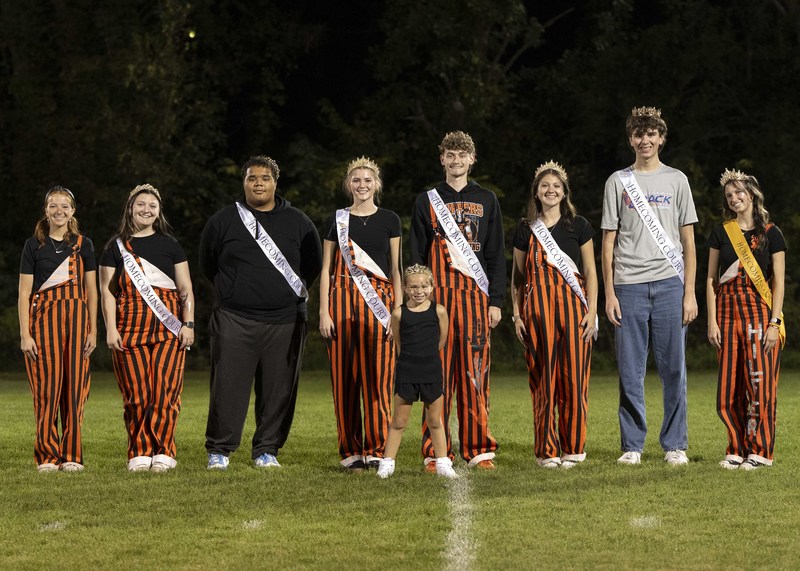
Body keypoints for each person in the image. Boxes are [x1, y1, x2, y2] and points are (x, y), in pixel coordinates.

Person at [200, 155, 322, 470]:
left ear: (275, 183)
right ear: (244, 183)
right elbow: (207, 262)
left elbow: (312, 264)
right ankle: (220, 450)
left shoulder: (298, 221)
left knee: (278, 390)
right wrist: (233, 290)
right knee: (227, 388)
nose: (258, 183)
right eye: (252, 178)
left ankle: (267, 450)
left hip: (284, 320)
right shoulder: (224, 220)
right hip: (234, 319)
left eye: (265, 178)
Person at [601, 106, 698, 466]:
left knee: (674, 369)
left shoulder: (677, 180)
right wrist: (609, 293)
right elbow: (608, 241)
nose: (645, 140)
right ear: (631, 139)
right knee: (630, 370)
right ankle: (632, 445)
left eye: (651, 133)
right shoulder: (617, 181)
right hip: (628, 286)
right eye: (639, 134)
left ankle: (675, 444)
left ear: (661, 138)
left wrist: (689, 292)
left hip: (671, 285)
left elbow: (688, 241)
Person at [409, 130, 505, 470]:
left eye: (462, 155)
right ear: (442, 159)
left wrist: (496, 300)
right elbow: (416, 255)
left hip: (475, 302)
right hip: (437, 302)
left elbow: (495, 254)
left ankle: (479, 449)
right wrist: (416, 301)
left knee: (475, 374)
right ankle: (436, 451)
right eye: (450, 154)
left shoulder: (488, 199)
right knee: (435, 376)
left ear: (472, 159)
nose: (456, 160)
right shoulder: (427, 200)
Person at [99, 183, 195, 473]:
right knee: (137, 394)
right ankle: (139, 451)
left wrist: (189, 323)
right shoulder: (115, 247)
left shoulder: (171, 244)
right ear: (130, 208)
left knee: (165, 392)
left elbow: (186, 289)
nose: (146, 209)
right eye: (141, 204)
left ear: (158, 211)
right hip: (130, 329)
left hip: (169, 331)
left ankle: (164, 452)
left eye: (152, 205)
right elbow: (107, 292)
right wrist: (111, 329)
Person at [511, 161, 597, 469]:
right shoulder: (525, 228)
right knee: (543, 380)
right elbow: (517, 279)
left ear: (564, 192)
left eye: (556, 186)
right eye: (545, 186)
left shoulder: (579, 225)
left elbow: (590, 271)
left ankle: (572, 448)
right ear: (536, 191)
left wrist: (593, 311)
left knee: (573, 380)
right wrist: (517, 315)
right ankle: (546, 451)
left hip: (574, 311)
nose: (551, 190)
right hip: (537, 313)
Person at [319, 157, 402, 472]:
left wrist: (397, 311)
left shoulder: (390, 219)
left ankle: (377, 448)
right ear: (348, 185)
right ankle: (351, 450)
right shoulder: (337, 219)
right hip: (341, 303)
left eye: (368, 180)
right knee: (345, 380)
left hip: (380, 305)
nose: (362, 185)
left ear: (376, 184)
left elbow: (394, 268)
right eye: (356, 180)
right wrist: (324, 311)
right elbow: (326, 269)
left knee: (379, 380)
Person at [706, 169, 785, 470]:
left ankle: (760, 451)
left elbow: (777, 282)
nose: (734, 198)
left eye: (739, 192)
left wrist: (774, 323)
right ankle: (736, 448)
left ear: (751, 195)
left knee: (759, 385)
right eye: (729, 195)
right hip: (726, 313)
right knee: (729, 387)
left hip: (758, 312)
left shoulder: (772, 233)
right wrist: (712, 322)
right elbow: (711, 280)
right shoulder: (721, 232)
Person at [18, 186, 97, 472]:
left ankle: (73, 455)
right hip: (43, 324)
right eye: (53, 206)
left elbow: (92, 291)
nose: (59, 210)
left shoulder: (84, 244)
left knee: (75, 390)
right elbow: (24, 294)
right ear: (46, 211)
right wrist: (25, 335)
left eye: (65, 206)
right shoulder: (33, 245)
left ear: (73, 211)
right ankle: (48, 456)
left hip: (77, 323)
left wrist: (93, 331)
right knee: (47, 390)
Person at [377, 265, 456, 479]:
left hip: (431, 371)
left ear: (431, 287)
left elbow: (441, 341)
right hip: (407, 372)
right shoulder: (399, 313)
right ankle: (387, 463)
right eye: (413, 286)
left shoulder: (439, 311)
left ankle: (442, 463)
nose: (418, 290)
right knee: (399, 422)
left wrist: (426, 357)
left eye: (423, 286)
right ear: (404, 288)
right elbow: (400, 345)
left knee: (435, 421)